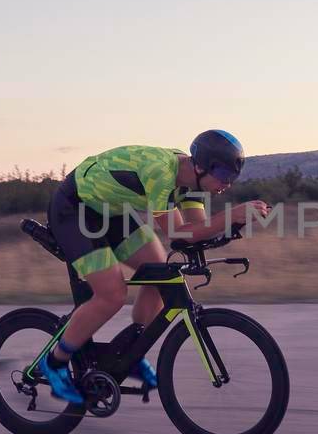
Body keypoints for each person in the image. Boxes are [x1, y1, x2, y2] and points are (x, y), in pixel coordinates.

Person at [39, 130, 270, 403]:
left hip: (110, 213)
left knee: (160, 272)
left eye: (232, 177)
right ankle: (54, 363)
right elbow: (180, 234)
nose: (226, 184)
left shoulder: (192, 182)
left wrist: (235, 224)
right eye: (223, 175)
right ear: (200, 166)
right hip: (74, 210)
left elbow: (197, 231)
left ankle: (128, 352)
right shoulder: (161, 173)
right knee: (112, 294)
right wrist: (232, 214)